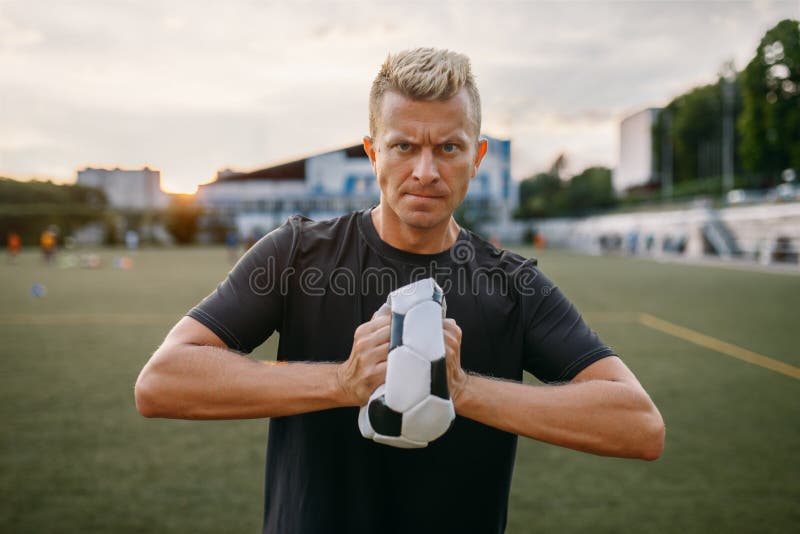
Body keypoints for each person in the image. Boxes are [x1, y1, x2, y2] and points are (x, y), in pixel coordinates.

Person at [135, 48, 664, 534]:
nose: (425, 171)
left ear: (477, 157)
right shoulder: (297, 253)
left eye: (449, 148)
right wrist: (343, 382)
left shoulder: (515, 285)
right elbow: (161, 383)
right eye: (404, 146)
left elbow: (639, 425)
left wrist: (461, 389)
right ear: (373, 152)